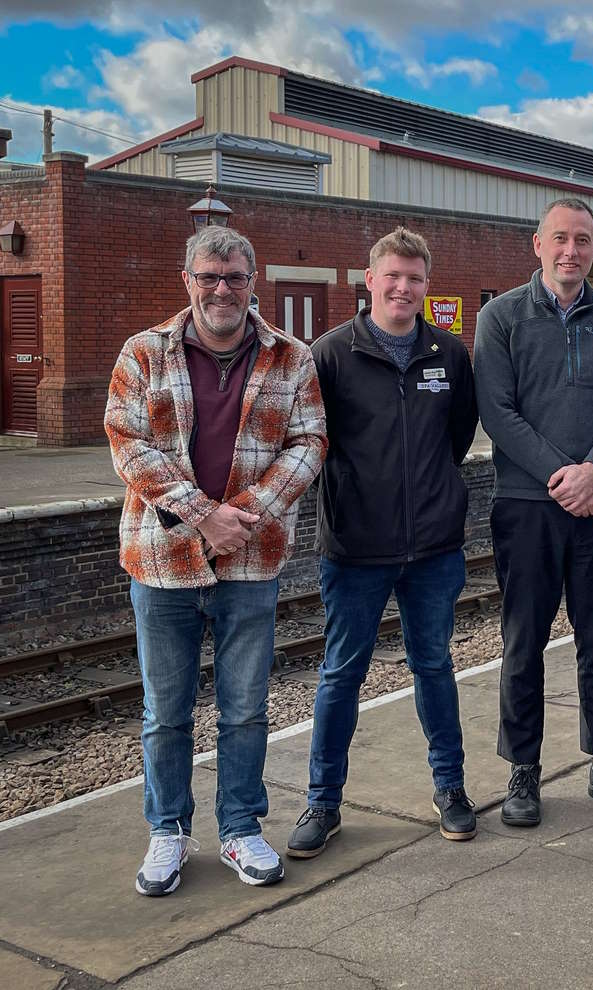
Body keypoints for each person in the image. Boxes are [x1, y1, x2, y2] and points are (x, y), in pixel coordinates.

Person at [104, 225, 326, 896]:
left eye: (234, 277)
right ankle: (168, 832)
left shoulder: (292, 357)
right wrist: (204, 514)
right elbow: (126, 441)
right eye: (209, 277)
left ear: (253, 282)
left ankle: (239, 828)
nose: (222, 289)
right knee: (164, 713)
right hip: (162, 560)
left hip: (250, 564)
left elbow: (310, 443)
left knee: (246, 709)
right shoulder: (141, 353)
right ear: (188, 281)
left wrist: (245, 515)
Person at [287, 227, 479, 859]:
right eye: (392, 276)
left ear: (427, 285)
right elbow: (314, 443)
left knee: (435, 668)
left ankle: (450, 789)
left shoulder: (448, 355)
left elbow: (457, 438)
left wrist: (430, 499)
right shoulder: (329, 355)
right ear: (368, 281)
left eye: (415, 278)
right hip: (356, 549)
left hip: (433, 549)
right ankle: (323, 801)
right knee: (341, 674)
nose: (403, 288)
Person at [474, 197, 593, 827]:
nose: (571, 251)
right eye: (560, 238)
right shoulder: (500, 317)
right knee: (523, 641)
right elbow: (499, 412)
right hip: (527, 507)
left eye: (583, 240)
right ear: (537, 245)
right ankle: (523, 770)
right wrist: (563, 476)